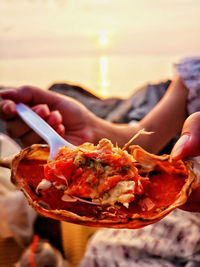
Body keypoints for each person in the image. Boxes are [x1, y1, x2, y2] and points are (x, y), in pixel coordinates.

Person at [0, 57, 200, 266]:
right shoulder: (195, 74)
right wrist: (93, 129)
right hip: (176, 218)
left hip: (179, 212)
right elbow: (148, 138)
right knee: (99, 251)